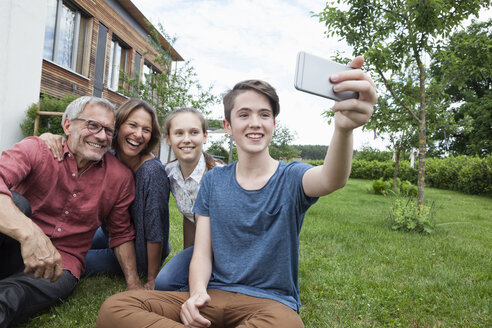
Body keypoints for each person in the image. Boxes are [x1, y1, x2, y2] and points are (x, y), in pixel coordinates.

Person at [96, 56, 377, 327]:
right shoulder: (214, 180)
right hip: (211, 296)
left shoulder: (291, 177)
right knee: (116, 308)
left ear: (273, 125)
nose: (255, 122)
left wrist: (344, 130)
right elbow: (202, 252)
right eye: (244, 114)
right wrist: (196, 294)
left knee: (288, 324)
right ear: (228, 126)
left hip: (271, 305)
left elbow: (331, 179)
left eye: (264, 114)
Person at [0, 96, 142, 327]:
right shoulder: (37, 148)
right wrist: (30, 234)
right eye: (92, 125)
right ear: (67, 125)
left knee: (16, 295)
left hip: (62, 262)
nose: (101, 136)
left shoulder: (120, 177)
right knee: (18, 203)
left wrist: (133, 282)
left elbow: (121, 232)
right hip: (12, 245)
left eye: (108, 130)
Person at [41, 99, 170, 290]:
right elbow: (78, 143)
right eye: (132, 125)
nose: (138, 134)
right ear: (117, 127)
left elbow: (155, 229)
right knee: (64, 240)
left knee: (68, 258)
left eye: (146, 129)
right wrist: (49, 136)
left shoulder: (151, 172)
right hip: (111, 232)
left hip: (141, 248)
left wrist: (152, 278)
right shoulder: (109, 155)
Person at [153, 107, 220, 291]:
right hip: (202, 249)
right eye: (179, 133)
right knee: (164, 283)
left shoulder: (218, 175)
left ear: (205, 136)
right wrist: (188, 256)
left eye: (194, 132)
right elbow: (189, 217)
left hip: (227, 248)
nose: (187, 139)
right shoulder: (169, 173)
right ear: (168, 138)